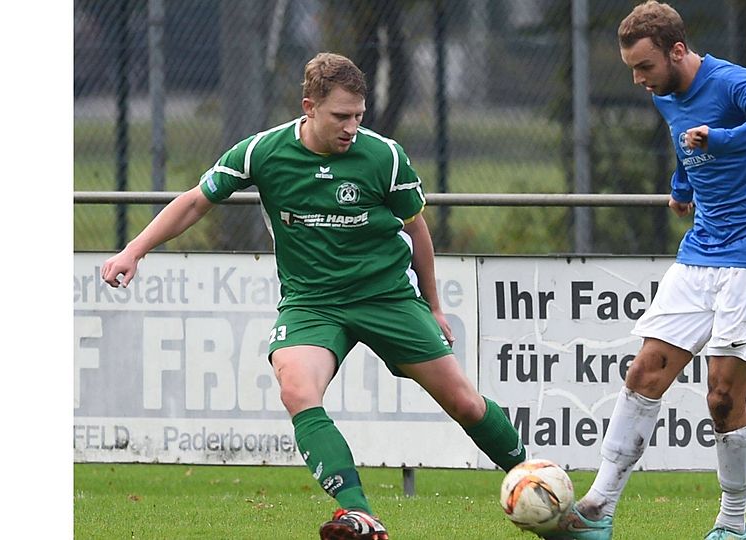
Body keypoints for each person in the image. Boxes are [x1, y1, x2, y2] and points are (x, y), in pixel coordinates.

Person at [100, 52, 527, 540]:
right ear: (309, 107)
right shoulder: (262, 152)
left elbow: (417, 230)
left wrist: (432, 306)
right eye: (340, 116)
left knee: (466, 404)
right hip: (312, 303)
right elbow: (197, 201)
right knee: (297, 390)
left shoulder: (384, 156)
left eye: (358, 117)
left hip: (387, 297)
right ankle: (358, 513)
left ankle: (541, 489)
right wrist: (133, 251)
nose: (351, 128)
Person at [540, 2, 746, 539]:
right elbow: (685, 141)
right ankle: (597, 509)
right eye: (633, 70)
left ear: (678, 51)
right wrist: (683, 186)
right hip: (704, 246)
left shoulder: (732, 83)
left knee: (722, 394)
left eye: (645, 67)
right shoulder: (666, 94)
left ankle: (733, 526)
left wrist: (725, 138)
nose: (640, 81)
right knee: (644, 373)